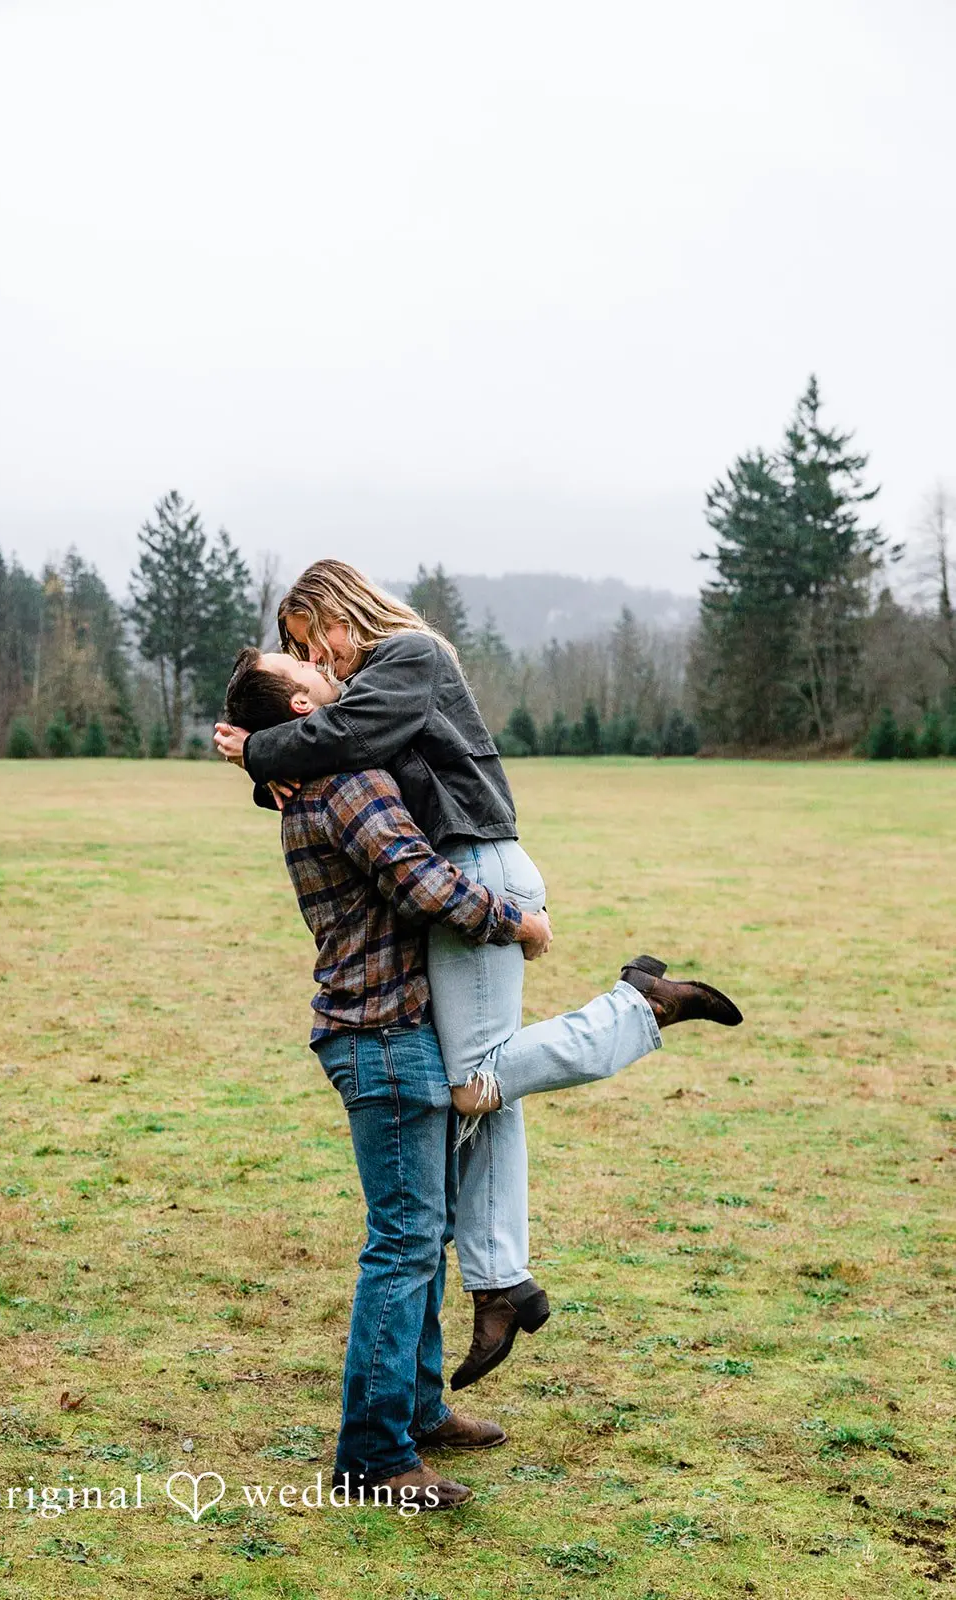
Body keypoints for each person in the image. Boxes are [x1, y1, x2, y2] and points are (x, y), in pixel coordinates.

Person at [215, 561, 742, 1387]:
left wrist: (255, 750)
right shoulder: (351, 701)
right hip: (455, 875)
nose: (313, 659)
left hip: (474, 871)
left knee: (474, 1081)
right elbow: (330, 762)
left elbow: (341, 741)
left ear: (337, 615)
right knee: (485, 1083)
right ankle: (500, 1283)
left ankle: (637, 1008)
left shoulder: (410, 657)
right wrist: (265, 765)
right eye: (297, 653)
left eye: (305, 639)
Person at [233, 647, 553, 1509]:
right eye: (299, 661)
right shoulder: (344, 784)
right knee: (405, 1242)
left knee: (422, 1230)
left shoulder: (313, 782)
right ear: (304, 705)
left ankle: (416, 1409)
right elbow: (419, 883)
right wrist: (514, 922)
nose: (321, 665)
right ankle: (372, 1458)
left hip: (375, 1031)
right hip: (386, 1035)